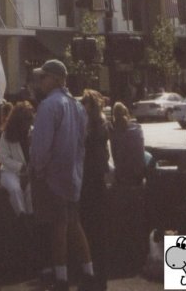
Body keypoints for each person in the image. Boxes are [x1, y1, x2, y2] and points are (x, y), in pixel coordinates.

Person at [29, 59, 96, 291]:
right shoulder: (77, 106)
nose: (40, 81)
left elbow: (40, 147)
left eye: (44, 77)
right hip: (73, 175)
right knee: (74, 224)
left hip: (52, 176)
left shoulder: (49, 105)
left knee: (58, 227)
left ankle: (61, 279)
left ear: (56, 78)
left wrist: (37, 169)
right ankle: (88, 273)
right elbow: (81, 142)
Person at [80, 90, 110, 291]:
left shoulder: (90, 127)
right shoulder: (103, 123)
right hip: (97, 178)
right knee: (98, 224)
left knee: (88, 224)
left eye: (84, 103)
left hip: (87, 178)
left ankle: (90, 271)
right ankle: (99, 272)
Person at [0, 101, 34, 216]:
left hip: (31, 172)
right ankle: (21, 216)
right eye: (27, 119)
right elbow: (3, 157)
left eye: (31, 118)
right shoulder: (6, 134)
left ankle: (31, 216)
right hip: (10, 172)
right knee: (15, 190)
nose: (30, 121)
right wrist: (21, 167)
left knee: (31, 191)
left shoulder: (34, 132)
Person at [109, 101, 145, 186]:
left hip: (122, 174)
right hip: (137, 173)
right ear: (127, 114)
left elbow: (115, 157)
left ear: (114, 116)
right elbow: (141, 152)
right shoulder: (137, 130)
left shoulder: (114, 133)